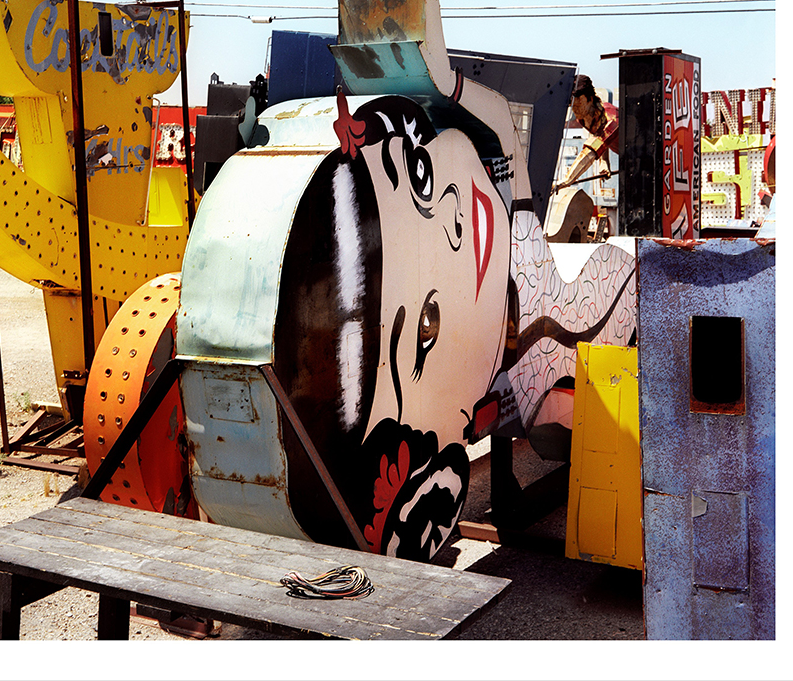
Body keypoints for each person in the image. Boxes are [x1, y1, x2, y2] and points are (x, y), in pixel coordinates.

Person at [272, 90, 636, 560]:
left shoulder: (515, 242)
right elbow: (501, 122)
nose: (449, 209)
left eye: (420, 176)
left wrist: (447, 81)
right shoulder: (516, 271)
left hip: (581, 308)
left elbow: (502, 123)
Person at [553, 74, 619, 193]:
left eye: (578, 104)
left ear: (590, 99)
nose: (575, 110)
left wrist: (566, 181)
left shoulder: (612, 118)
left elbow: (592, 149)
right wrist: (604, 161)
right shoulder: (584, 118)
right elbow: (600, 138)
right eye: (572, 105)